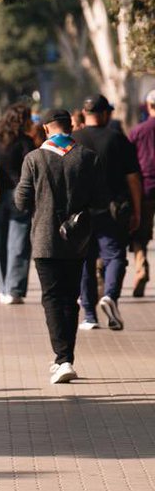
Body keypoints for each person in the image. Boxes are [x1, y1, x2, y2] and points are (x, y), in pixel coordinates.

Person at [15, 109, 106, 384]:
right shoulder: (88, 157)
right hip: (78, 240)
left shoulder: (33, 159)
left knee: (52, 299)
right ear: (70, 127)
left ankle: (62, 358)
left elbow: (21, 201)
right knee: (71, 298)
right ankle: (67, 356)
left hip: (45, 240)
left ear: (46, 129)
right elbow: (100, 200)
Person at [74, 95, 141, 330]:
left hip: (80, 212)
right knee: (115, 257)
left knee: (85, 262)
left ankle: (89, 315)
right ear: (104, 114)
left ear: (84, 113)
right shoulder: (117, 139)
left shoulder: (74, 140)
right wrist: (137, 210)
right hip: (112, 210)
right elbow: (133, 178)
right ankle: (110, 295)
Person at [0, 103, 36, 305]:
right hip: (18, 194)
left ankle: (2, 286)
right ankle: (14, 289)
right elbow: (32, 167)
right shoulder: (25, 142)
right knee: (19, 243)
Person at [129, 89, 155, 298]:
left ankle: (140, 266)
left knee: (141, 233)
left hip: (145, 188)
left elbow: (130, 164)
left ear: (148, 106)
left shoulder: (137, 131)